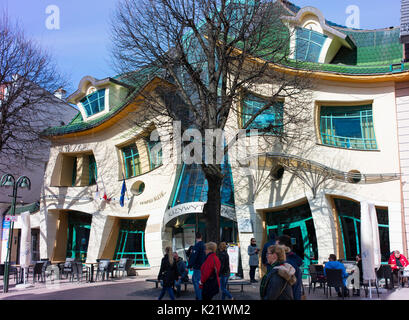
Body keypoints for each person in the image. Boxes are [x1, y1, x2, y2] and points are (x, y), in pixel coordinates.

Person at [276, 235, 303, 300]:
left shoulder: (288, 263)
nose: (275, 248)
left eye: (276, 245)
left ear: (284, 246)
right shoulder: (293, 259)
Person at [188, 232, 206, 300]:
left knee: (197, 282)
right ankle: (199, 296)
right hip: (203, 267)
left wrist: (189, 266)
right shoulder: (204, 245)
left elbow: (193, 257)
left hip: (198, 267)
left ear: (195, 237)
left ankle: (199, 297)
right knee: (198, 281)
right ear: (201, 236)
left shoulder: (197, 246)